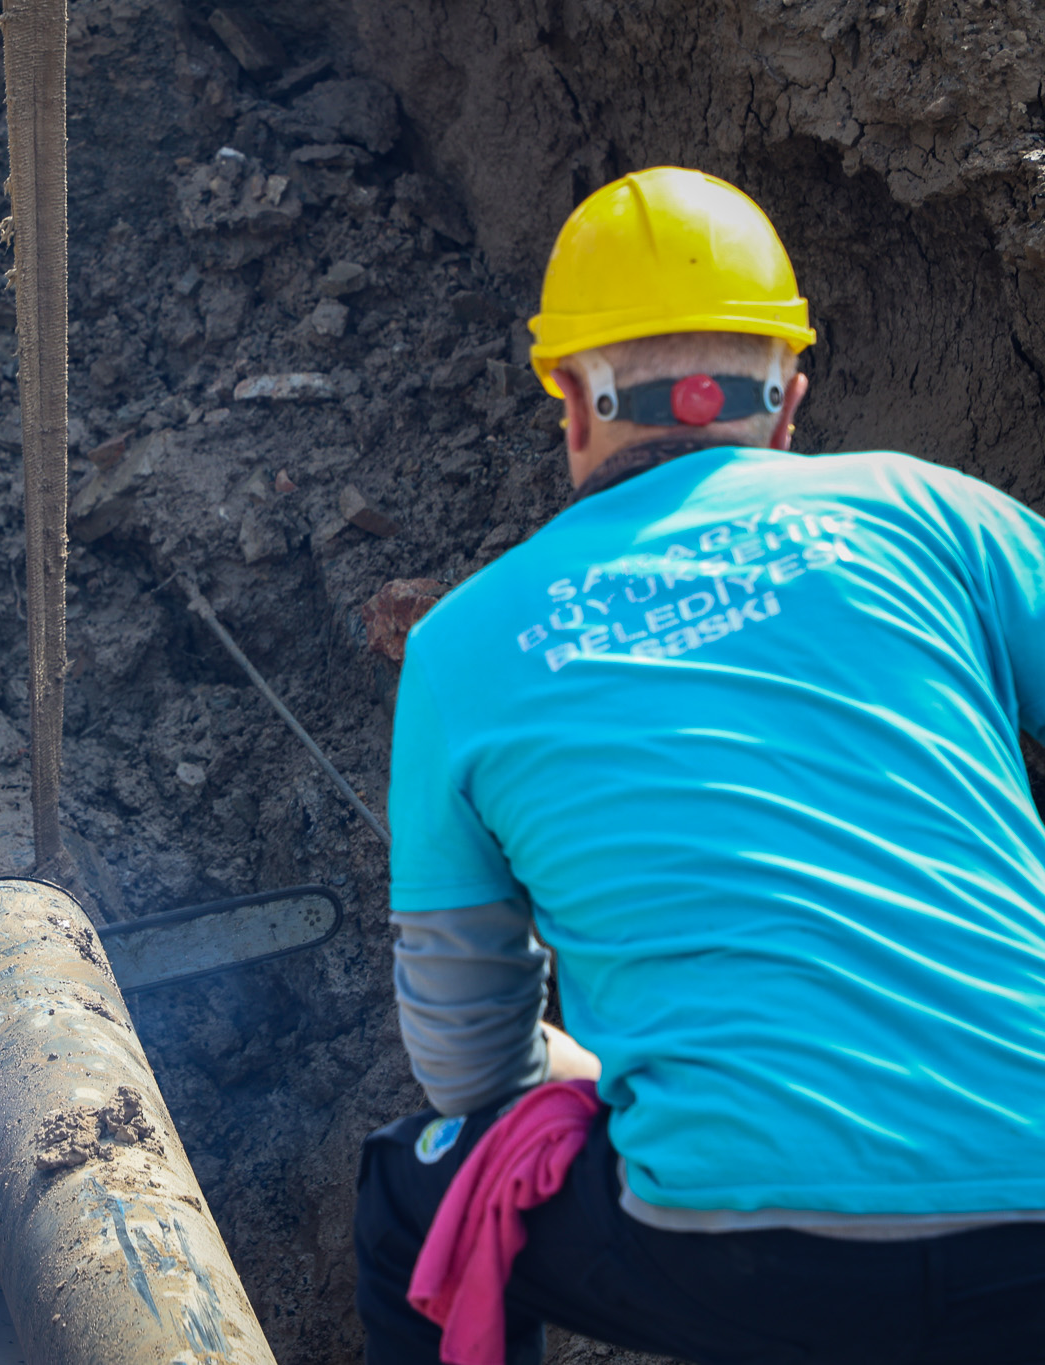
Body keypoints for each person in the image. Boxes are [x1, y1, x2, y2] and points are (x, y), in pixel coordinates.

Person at [353, 166, 1045, 1364]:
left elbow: (464, 1066)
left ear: (568, 402)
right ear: (787, 403)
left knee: (404, 1198)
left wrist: (579, 1065)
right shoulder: (938, 519)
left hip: (753, 1266)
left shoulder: (462, 639)